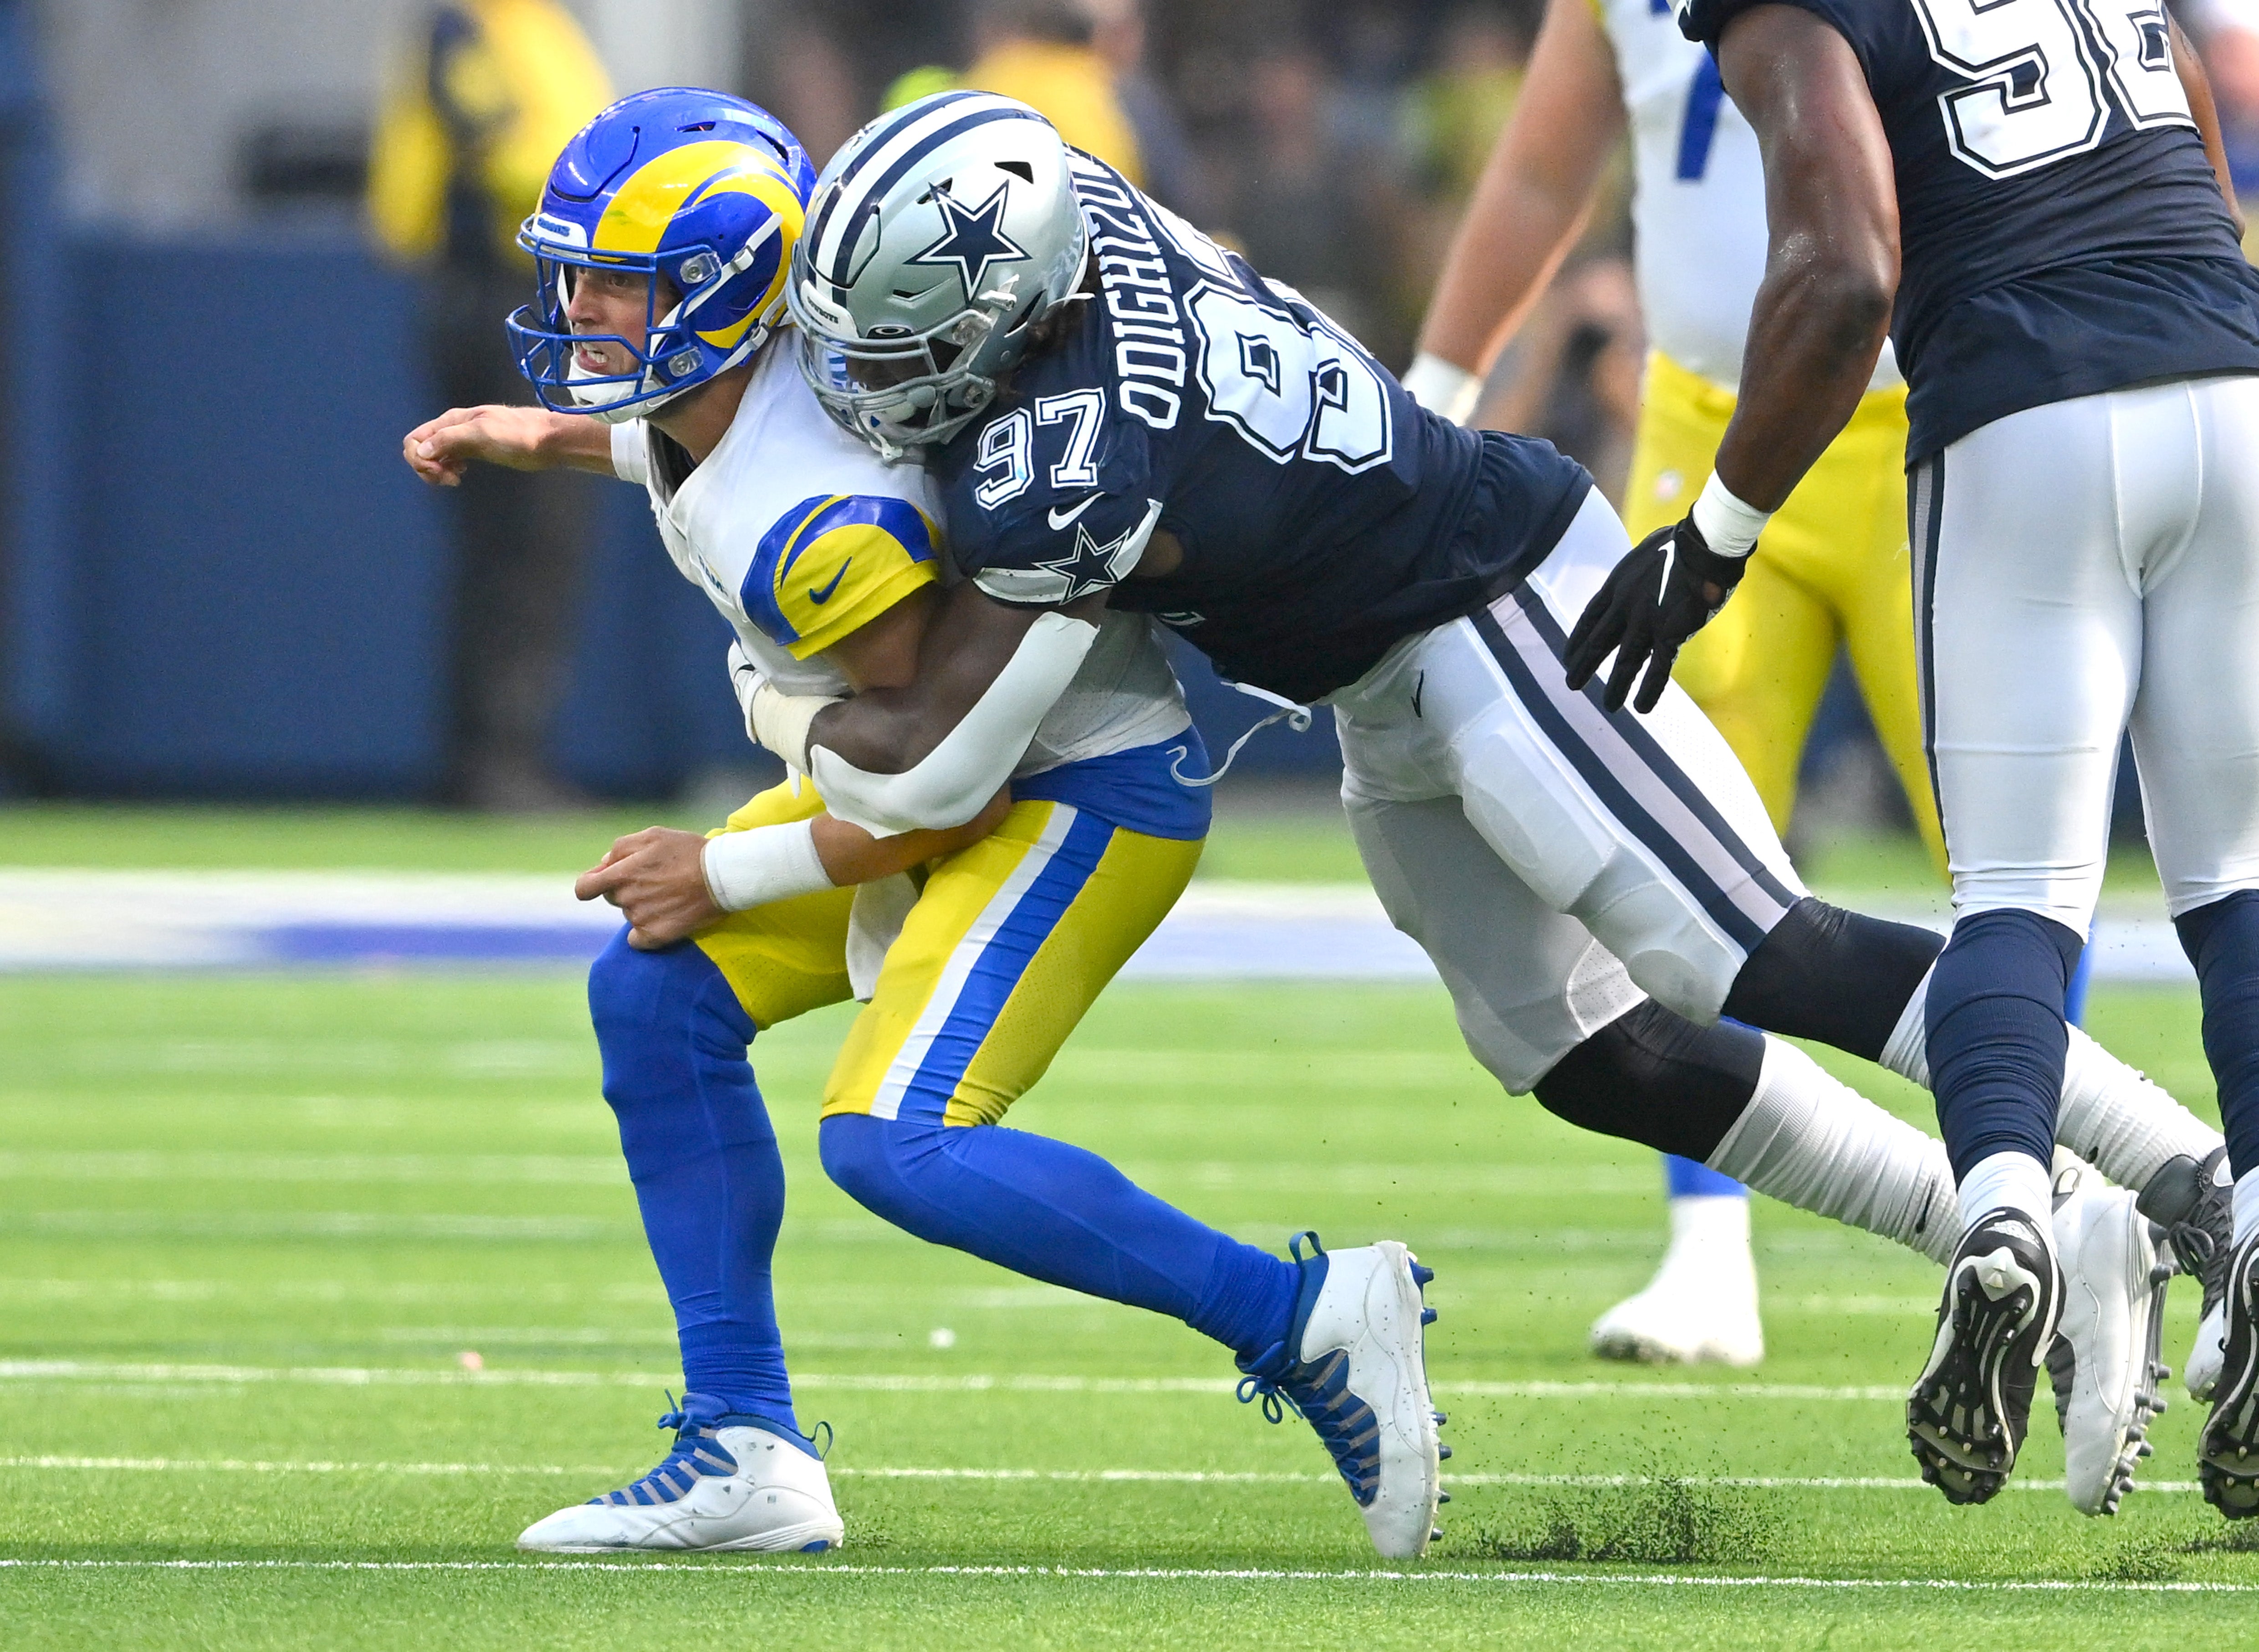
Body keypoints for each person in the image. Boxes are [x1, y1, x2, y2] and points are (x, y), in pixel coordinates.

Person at [774, 89, 2232, 1516]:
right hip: (1383, 659)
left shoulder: (1066, 465)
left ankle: (2195, 1187)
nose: (866, 381)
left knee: (1744, 947)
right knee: (1588, 1051)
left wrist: (777, 693)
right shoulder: (1073, 197)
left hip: (1494, 602)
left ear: (1012, 312)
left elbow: (939, 753)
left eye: (900, 347)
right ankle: (2030, 1224)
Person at [404, 87, 1446, 1559]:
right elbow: (683, 443)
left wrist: (721, 861)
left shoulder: (815, 518)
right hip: (948, 783)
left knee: (899, 1142)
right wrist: (539, 432)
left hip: (1074, 796)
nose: (580, 310)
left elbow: (928, 792)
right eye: (574, 275)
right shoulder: (745, 391)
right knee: (655, 999)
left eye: (616, 283)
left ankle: (1307, 1314)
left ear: (718, 287)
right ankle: (743, 1442)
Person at [1579, 0, 2259, 1512]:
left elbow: (1847, 268)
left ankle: (2009, 1216)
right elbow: (2200, 132)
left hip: (2030, 404)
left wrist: (1714, 538)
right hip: (2230, 371)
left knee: (2018, 894)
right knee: (2235, 880)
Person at [1398, 0, 1946, 1372]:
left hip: (1932, 412)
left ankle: (2036, 1195)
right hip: (1709, 422)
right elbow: (1538, 176)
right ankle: (1710, 1247)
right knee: (1669, 857)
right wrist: (1434, 388)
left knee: (2003, 858)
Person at [368, 0, 612, 809]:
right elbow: (508, 155)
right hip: (500, 290)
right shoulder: (470, 27)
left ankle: (503, 753)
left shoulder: (534, 25)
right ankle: (493, 761)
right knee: (521, 537)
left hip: (526, 288)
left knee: (529, 544)